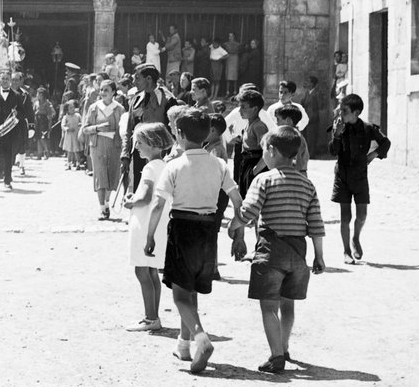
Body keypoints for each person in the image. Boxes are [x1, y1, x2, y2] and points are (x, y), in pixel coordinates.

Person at [144, 108, 244, 373]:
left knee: (179, 295)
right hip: (209, 230)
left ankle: (200, 337)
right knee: (192, 291)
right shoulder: (219, 164)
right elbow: (237, 201)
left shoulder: (174, 166)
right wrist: (239, 230)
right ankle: (184, 345)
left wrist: (150, 235)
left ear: (179, 133)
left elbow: (157, 205)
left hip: (182, 228)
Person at [230, 126, 326, 373]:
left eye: (264, 151)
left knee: (268, 305)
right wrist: (319, 256)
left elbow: (249, 212)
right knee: (288, 304)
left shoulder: (264, 179)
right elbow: (315, 223)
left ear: (271, 151)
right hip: (298, 253)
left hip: (271, 249)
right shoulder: (307, 184)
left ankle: (276, 356)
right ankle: (283, 346)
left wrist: (234, 224)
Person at [123, 122, 175, 332]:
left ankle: (149, 317)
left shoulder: (149, 167)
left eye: (140, 143)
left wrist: (130, 201)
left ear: (153, 144)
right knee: (151, 271)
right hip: (159, 222)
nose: (137, 147)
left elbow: (144, 197)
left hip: (145, 223)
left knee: (142, 271)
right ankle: (153, 315)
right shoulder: (164, 165)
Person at [329, 93, 390, 264]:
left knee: (362, 215)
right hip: (342, 175)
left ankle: (356, 238)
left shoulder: (368, 128)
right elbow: (333, 151)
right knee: (345, 217)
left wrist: (372, 156)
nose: (341, 114)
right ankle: (346, 251)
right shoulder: (338, 127)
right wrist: (337, 135)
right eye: (340, 110)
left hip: (360, 176)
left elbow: (386, 143)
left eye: (345, 111)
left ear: (356, 113)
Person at [121, 64, 179, 195]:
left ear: (148, 79)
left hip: (161, 157)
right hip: (139, 154)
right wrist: (125, 155)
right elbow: (129, 130)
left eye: (137, 78)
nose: (134, 82)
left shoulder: (168, 100)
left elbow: (174, 132)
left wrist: (171, 156)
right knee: (138, 191)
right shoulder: (135, 100)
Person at [82, 79, 125, 220]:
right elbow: (85, 129)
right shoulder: (94, 107)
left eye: (106, 90)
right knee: (100, 176)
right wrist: (97, 128)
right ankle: (102, 208)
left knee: (112, 175)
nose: (103, 93)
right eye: (101, 90)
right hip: (98, 144)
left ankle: (107, 202)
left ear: (113, 92)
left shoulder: (119, 108)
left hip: (114, 145)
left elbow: (124, 129)